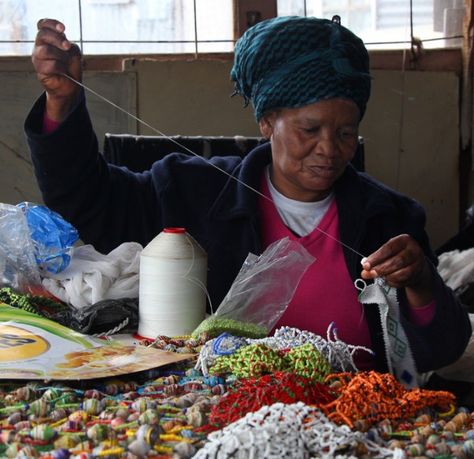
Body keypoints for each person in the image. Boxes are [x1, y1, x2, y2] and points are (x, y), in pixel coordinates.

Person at [26, 16, 470, 375]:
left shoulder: (389, 218)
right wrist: (63, 106)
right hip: (217, 411)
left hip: (355, 415)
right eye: (309, 129)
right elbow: (89, 201)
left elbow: (440, 349)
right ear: (267, 122)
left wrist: (421, 285)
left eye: (347, 132)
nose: (330, 149)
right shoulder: (193, 192)